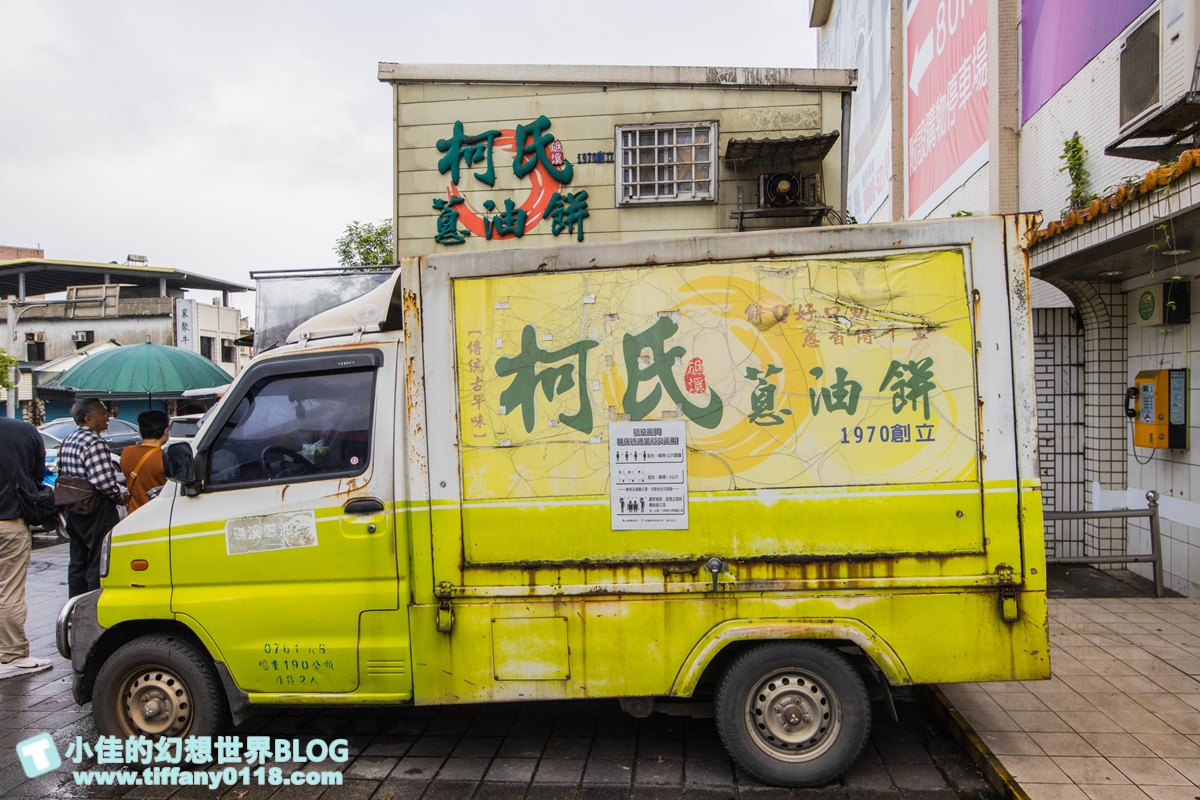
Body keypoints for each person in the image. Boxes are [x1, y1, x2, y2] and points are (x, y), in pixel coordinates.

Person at [0, 415, 53, 679]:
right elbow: (37, 476)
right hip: (9, 522)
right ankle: (13, 655)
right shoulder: (23, 430)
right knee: (9, 591)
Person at [59, 398, 127, 597]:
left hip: (73, 505)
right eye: (103, 413)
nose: (108, 417)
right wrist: (119, 496)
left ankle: (75, 605)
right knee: (98, 560)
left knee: (78, 561)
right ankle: (93, 605)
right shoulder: (95, 442)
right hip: (95, 509)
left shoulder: (69, 440)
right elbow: (103, 482)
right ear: (89, 419)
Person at [120, 410, 169, 513]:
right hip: (159, 513)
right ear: (166, 431)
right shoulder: (166, 457)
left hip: (135, 514)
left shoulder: (126, 452)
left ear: (140, 432)